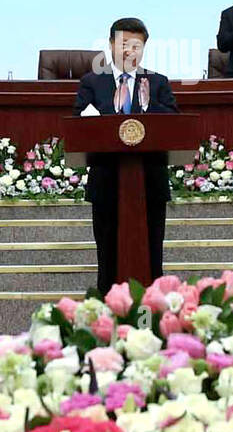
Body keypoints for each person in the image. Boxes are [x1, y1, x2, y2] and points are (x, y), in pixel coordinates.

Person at [73, 17, 179, 293]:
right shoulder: (92, 82)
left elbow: (174, 126)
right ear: (110, 45)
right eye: (123, 44)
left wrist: (148, 103)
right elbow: (78, 125)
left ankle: (152, 316)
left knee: (151, 255)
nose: (129, 51)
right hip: (106, 182)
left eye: (136, 45)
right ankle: (108, 318)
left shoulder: (157, 83)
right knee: (108, 257)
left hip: (149, 183)